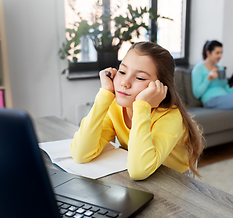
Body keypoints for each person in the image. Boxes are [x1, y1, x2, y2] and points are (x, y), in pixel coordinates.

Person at [71, 41, 203, 180]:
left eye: (139, 77)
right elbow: (81, 153)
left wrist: (142, 105)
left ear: (159, 87)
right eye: (122, 71)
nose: (124, 83)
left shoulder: (170, 117)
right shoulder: (115, 107)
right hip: (143, 178)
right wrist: (104, 94)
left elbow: (138, 172)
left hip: (174, 182)